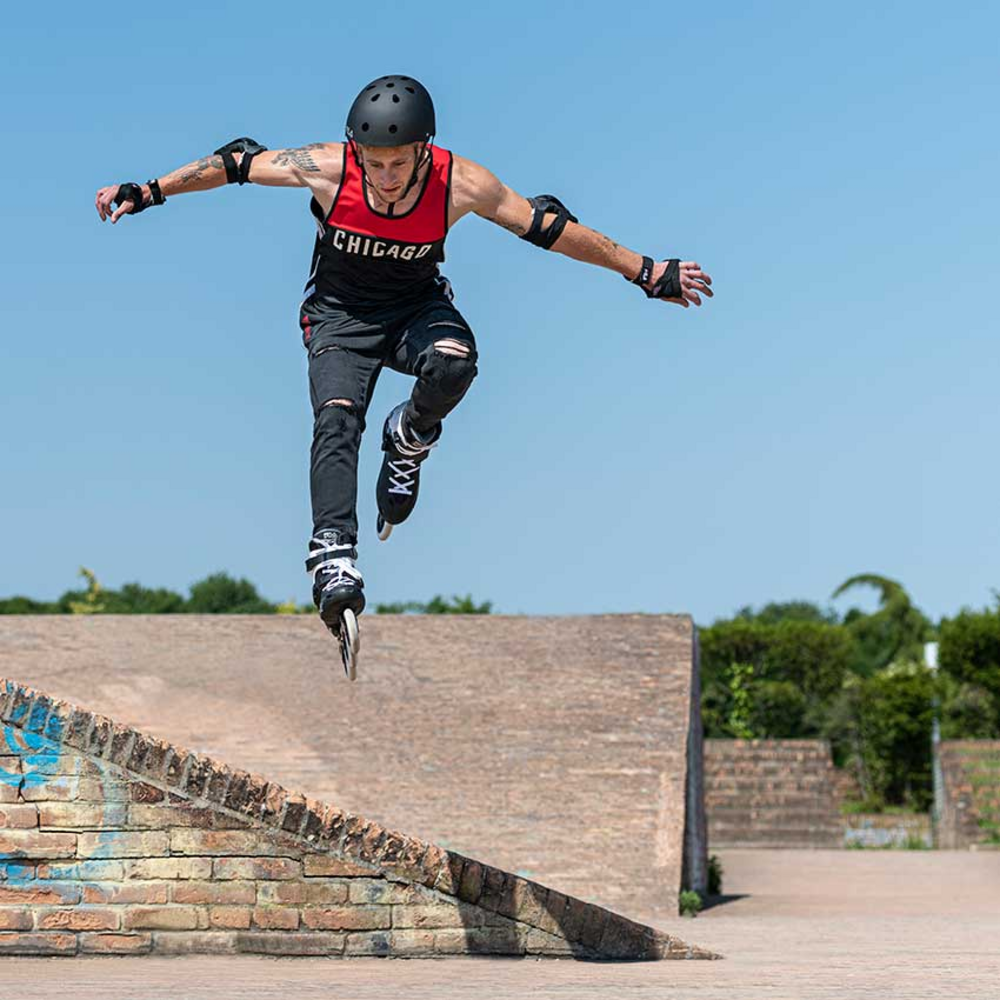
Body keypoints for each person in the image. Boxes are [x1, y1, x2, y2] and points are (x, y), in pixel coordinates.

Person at [94, 74, 713, 647]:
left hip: (416, 310)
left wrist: (644, 271)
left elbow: (547, 226)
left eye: (398, 163)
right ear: (355, 151)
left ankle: (410, 437)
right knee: (337, 418)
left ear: (424, 150)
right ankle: (333, 552)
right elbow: (235, 162)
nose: (386, 177)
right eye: (375, 163)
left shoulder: (462, 183)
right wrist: (149, 191)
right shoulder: (327, 167)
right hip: (339, 319)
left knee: (455, 363)